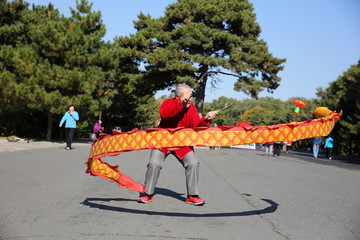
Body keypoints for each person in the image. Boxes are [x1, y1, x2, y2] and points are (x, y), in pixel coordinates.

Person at [138, 84, 218, 206]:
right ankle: (147, 193)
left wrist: (207, 118)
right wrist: (179, 103)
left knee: (193, 163)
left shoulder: (192, 109)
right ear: (177, 96)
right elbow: (164, 114)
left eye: (191, 96)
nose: (189, 99)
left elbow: (196, 127)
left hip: (182, 144)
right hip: (162, 141)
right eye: (187, 96)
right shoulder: (168, 103)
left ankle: (192, 196)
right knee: (154, 163)